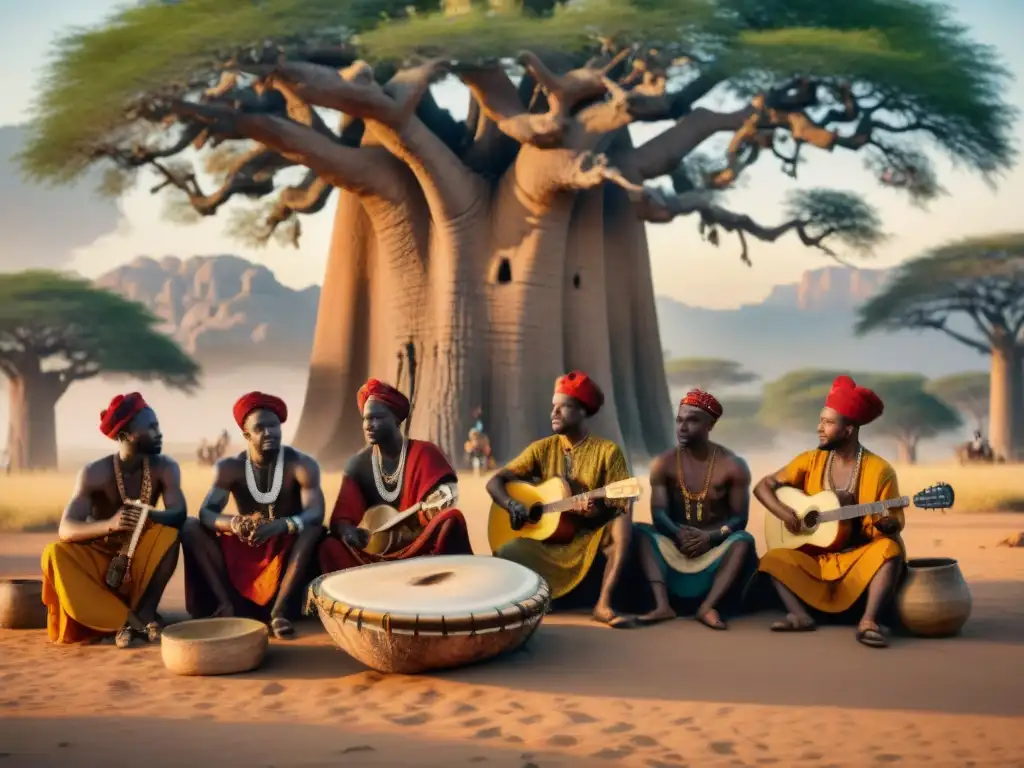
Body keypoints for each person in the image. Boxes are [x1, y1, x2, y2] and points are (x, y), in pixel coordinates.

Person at [754, 375, 905, 648]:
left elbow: (893, 522)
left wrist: (887, 525)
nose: (819, 428)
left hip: (855, 559)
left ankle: (869, 621)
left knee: (889, 549)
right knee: (772, 559)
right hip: (814, 558)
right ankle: (799, 616)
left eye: (827, 422)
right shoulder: (810, 460)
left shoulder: (880, 471)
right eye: (820, 420)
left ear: (849, 429)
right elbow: (762, 487)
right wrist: (787, 515)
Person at [486, 371, 637, 628]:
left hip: (589, 541)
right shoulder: (541, 448)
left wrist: (591, 511)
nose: (554, 413)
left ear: (582, 411)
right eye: (553, 407)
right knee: (507, 550)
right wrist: (512, 505)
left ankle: (603, 603)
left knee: (623, 522)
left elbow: (621, 504)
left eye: (563, 407)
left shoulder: (608, 452)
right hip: (547, 540)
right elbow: (495, 482)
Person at [40, 393, 184, 648]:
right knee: (54, 553)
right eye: (151, 428)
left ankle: (146, 612)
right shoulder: (94, 472)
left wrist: (147, 514)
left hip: (139, 554)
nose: (159, 433)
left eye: (158, 426)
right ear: (126, 435)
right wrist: (111, 524)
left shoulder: (165, 467)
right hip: (99, 558)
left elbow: (179, 513)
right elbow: (66, 528)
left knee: (169, 534)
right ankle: (125, 621)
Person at [181, 392, 325, 639]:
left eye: (274, 426)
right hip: (247, 543)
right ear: (246, 435)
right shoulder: (230, 467)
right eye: (260, 428)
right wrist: (234, 523)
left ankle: (279, 610)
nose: (270, 432)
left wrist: (283, 525)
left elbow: (316, 512)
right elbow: (207, 513)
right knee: (190, 527)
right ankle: (226, 603)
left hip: (287, 550)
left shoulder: (300, 464)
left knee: (313, 529)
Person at [318, 379, 473, 572]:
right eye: (366, 419)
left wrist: (424, 515)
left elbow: (445, 501)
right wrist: (347, 531)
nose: (369, 425)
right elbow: (342, 519)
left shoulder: (426, 453)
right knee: (329, 546)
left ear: (396, 420)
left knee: (452, 519)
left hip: (420, 547)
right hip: (374, 555)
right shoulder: (358, 464)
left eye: (377, 418)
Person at [633, 389, 757, 629]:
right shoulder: (664, 463)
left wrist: (710, 537)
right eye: (679, 420)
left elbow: (739, 518)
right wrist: (677, 533)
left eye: (692, 420)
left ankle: (707, 607)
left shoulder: (733, 465)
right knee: (640, 532)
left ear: (709, 425)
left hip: (715, 548)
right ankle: (662, 605)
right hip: (676, 545)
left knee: (743, 541)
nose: (682, 427)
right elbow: (658, 513)